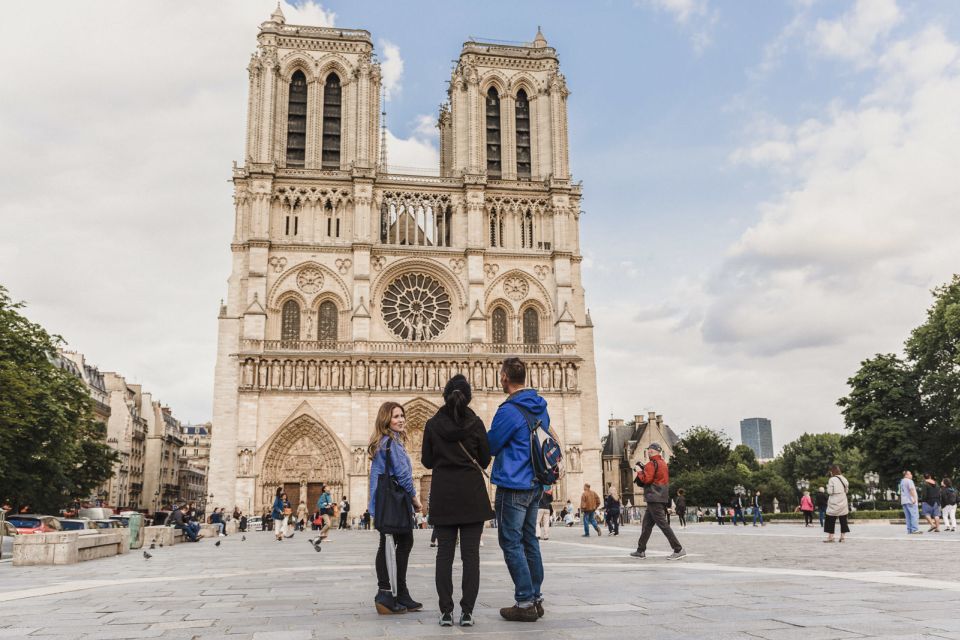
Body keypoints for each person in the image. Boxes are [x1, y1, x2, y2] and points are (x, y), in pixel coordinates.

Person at [421, 374, 495, 628]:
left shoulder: (432, 424)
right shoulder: (476, 423)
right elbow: (485, 459)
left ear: (445, 395)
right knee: (470, 556)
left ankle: (445, 612)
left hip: (444, 496)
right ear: (468, 397)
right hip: (472, 496)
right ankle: (467, 612)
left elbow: (427, 461)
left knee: (444, 555)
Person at [487, 357, 551, 623]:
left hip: (514, 484)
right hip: (535, 483)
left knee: (511, 543)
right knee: (530, 541)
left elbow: (492, 445)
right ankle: (535, 598)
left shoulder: (509, 410)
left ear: (504, 378)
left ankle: (524, 601)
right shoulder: (540, 406)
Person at [368, 401, 423, 615]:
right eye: (396, 416)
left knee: (390, 543)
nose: (401, 420)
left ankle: (397, 593)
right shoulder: (391, 443)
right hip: (394, 501)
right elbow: (402, 476)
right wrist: (415, 499)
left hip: (384, 502)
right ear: (386, 420)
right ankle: (387, 593)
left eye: (402, 416)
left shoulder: (383, 442)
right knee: (398, 542)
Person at [631, 443, 685, 560]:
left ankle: (678, 549)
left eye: (649, 450)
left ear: (652, 451)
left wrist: (640, 471)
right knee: (646, 525)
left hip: (653, 497)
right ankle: (641, 550)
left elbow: (647, 479)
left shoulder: (651, 464)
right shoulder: (663, 463)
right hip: (661, 496)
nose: (648, 452)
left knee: (663, 525)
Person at [824, 465, 850, 543]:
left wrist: (827, 487)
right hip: (843, 501)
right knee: (843, 519)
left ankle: (831, 537)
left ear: (832, 471)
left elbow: (830, 492)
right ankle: (842, 538)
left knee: (830, 519)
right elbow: (847, 491)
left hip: (834, 501)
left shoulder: (832, 479)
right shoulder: (844, 479)